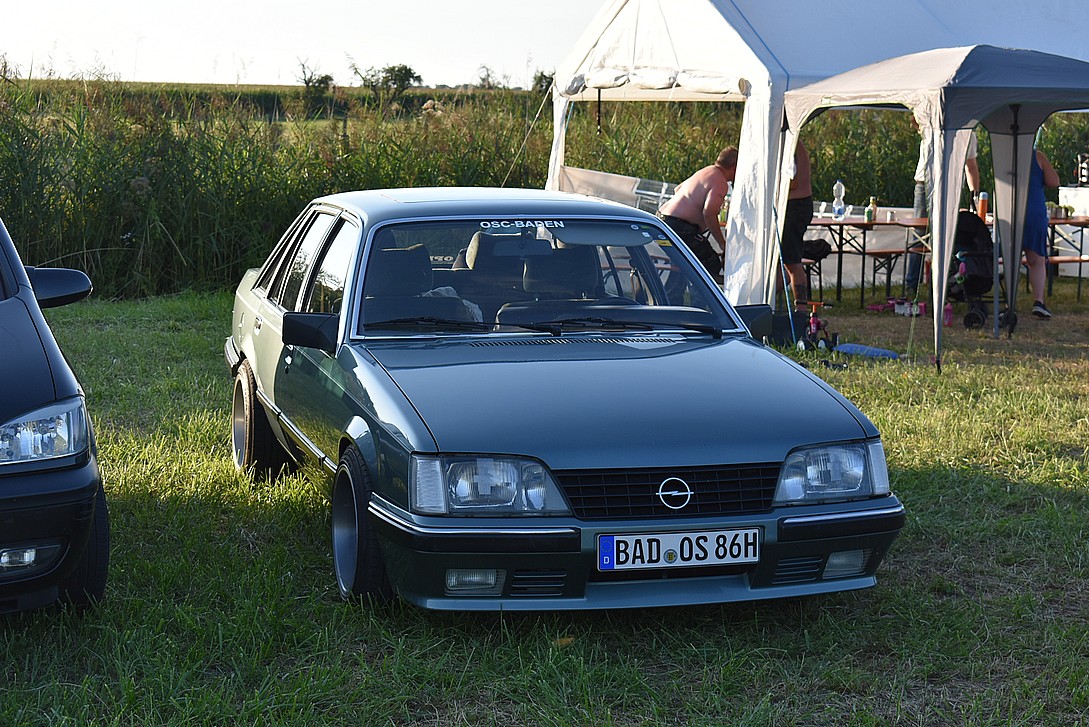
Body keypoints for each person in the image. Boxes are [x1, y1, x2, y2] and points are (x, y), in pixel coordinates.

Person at [904, 126, 980, 294]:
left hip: (951, 185)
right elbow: (915, 122)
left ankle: (945, 281)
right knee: (920, 233)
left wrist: (974, 196)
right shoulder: (931, 124)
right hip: (925, 183)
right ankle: (912, 283)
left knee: (949, 235)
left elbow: (971, 166)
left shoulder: (968, 133)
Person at [658, 147, 738, 277]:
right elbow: (709, 214)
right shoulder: (720, 182)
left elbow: (678, 189)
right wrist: (722, 244)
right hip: (679, 226)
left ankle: (674, 290)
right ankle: (698, 292)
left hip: (663, 219)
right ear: (734, 168)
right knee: (710, 263)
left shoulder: (706, 171)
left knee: (684, 264)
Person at [1023, 148, 1061, 319]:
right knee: (1037, 260)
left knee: (1010, 259)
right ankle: (1038, 301)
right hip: (1034, 211)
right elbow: (1054, 181)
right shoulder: (1036, 155)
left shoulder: (1004, 153)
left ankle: (1008, 302)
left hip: (1010, 211)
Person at [780, 140, 813, 304]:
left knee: (792, 262)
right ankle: (767, 302)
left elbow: (792, 182)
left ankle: (800, 309)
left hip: (794, 207)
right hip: (797, 205)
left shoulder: (789, 144)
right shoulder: (792, 143)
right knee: (785, 261)